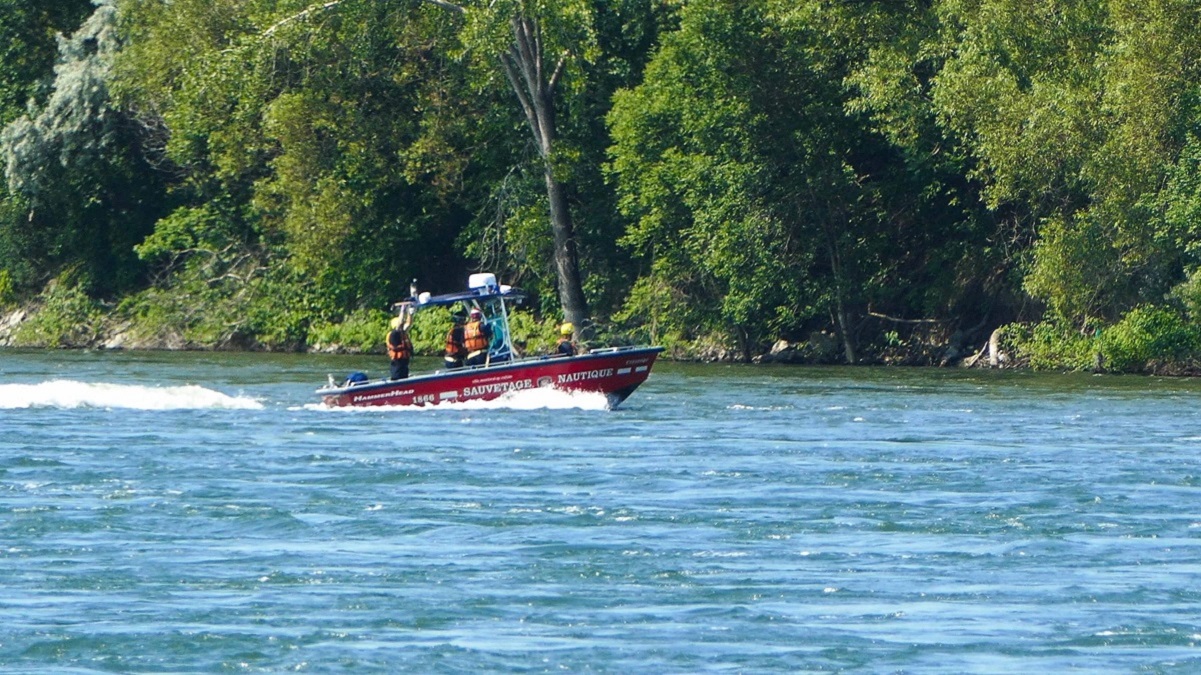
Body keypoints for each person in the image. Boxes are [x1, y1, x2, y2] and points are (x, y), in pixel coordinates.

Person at [386, 310, 413, 380]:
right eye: (401, 325)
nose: (403, 325)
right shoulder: (393, 334)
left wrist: (410, 313)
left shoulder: (402, 333)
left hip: (404, 362)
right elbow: (400, 323)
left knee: (405, 377)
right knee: (397, 378)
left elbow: (408, 324)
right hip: (397, 363)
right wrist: (402, 310)